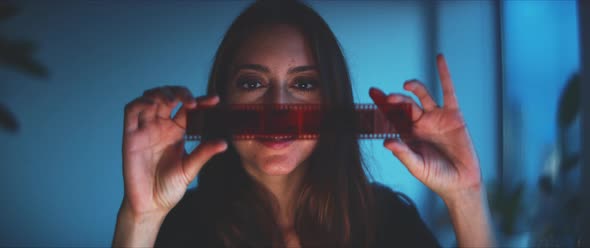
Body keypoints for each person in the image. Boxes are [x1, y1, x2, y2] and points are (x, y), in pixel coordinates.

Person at [112, 1, 495, 247]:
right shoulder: (182, 229)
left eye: (304, 84)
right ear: (222, 101)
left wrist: (466, 196)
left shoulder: (388, 223)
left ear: (332, 102)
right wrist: (140, 218)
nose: (278, 107)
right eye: (251, 83)